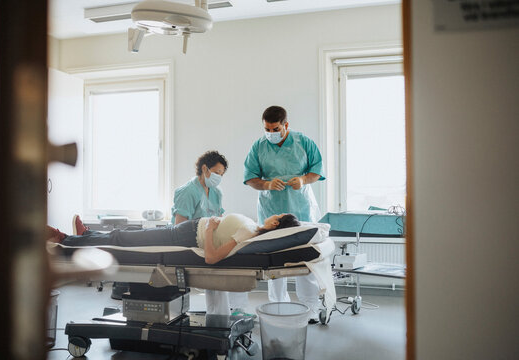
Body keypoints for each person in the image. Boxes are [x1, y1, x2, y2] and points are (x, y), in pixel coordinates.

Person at [243, 105, 325, 324]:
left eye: (275, 128)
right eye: (267, 129)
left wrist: (304, 180)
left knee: (305, 260)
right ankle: (278, 306)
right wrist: (267, 183)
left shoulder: (303, 142)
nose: (270, 134)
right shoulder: (259, 147)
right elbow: (251, 178)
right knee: (274, 262)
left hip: (301, 207)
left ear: (285, 125)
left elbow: (317, 169)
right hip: (272, 211)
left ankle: (311, 309)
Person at [47, 213, 301, 265]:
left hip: (187, 235)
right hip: (188, 230)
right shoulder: (253, 228)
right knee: (122, 236)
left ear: (276, 223)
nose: (272, 215)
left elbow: (212, 257)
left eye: (276, 216)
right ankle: (85, 235)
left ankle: (65, 239)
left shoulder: (249, 234)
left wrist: (211, 228)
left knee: (121, 238)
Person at [170, 151, 248, 315]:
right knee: (218, 265)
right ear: (205, 169)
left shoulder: (216, 192)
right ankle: (219, 317)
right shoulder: (187, 191)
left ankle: (236, 309)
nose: (219, 177)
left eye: (221, 174)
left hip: (209, 237)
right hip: (191, 239)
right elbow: (179, 228)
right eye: (217, 173)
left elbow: (219, 219)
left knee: (237, 257)